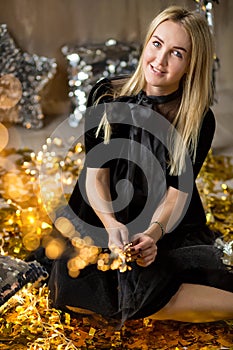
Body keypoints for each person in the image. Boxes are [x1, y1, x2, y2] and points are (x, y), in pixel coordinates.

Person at [47, 5, 233, 324]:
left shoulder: (199, 119)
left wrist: (153, 234)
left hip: (162, 213)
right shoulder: (106, 95)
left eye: (177, 53)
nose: (159, 61)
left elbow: (176, 193)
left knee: (149, 282)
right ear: (146, 43)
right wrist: (111, 225)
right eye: (157, 44)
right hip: (103, 204)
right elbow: (96, 174)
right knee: (76, 295)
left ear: (191, 65)